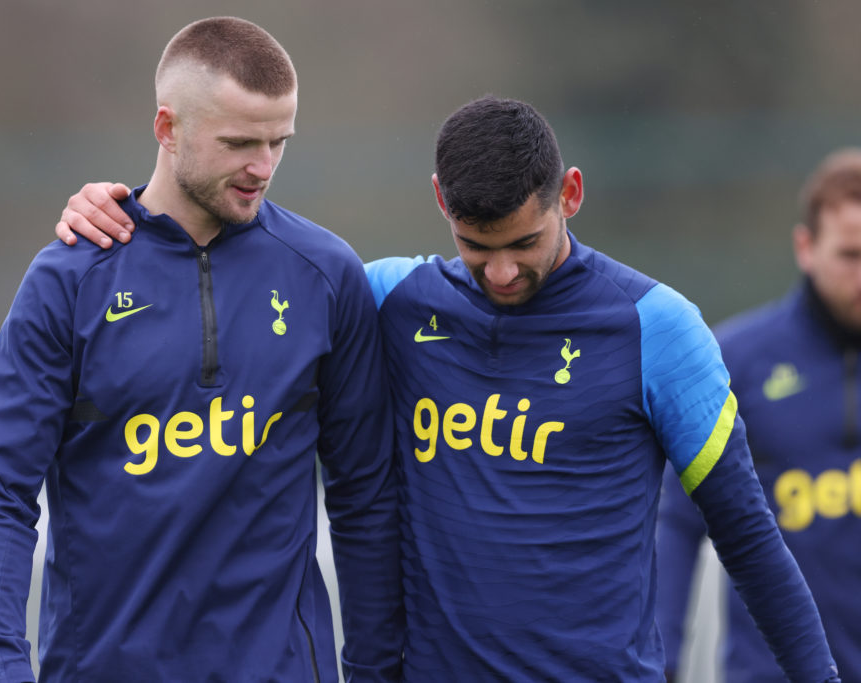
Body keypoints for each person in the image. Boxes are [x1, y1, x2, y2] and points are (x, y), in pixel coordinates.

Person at [57, 97, 841, 681]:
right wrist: (128, 209)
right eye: (475, 248)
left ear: (570, 193)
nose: (500, 272)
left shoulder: (658, 328)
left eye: (525, 244)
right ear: (441, 202)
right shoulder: (390, 302)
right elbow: (238, 266)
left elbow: (748, 539)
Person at [0, 17, 402, 683]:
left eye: (279, 141)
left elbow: (364, 496)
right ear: (167, 129)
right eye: (239, 142)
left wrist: (375, 671)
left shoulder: (325, 274)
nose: (263, 166)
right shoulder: (69, 281)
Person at [656, 149, 861, 682]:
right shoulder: (735, 364)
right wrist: (661, 663)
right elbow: (676, 523)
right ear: (805, 247)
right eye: (851, 255)